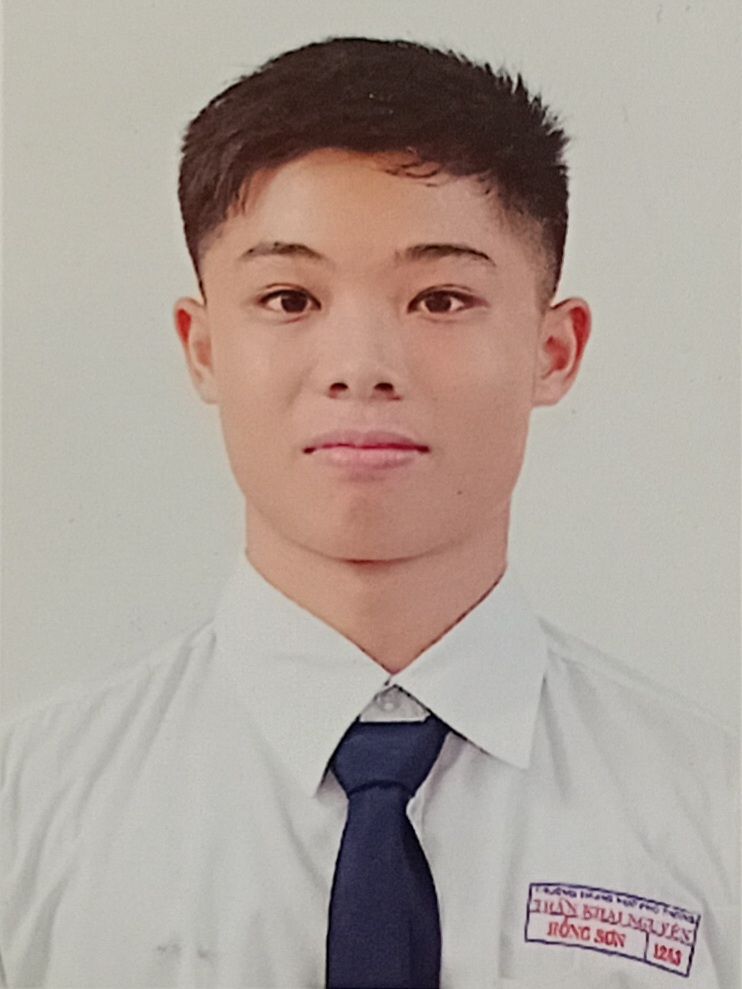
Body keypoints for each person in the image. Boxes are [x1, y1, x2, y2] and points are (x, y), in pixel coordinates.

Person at [0, 36, 736, 989]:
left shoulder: (712, 813)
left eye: (441, 298)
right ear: (203, 347)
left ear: (553, 350)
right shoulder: (32, 807)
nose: (361, 366)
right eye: (288, 297)